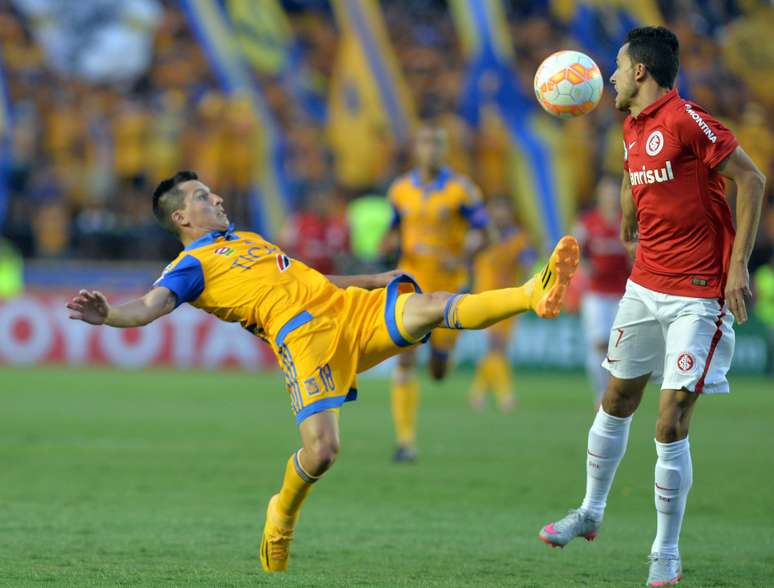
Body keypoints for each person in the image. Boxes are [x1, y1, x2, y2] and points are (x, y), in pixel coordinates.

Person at [66, 170, 581, 573]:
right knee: (323, 451)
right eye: (203, 196)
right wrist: (108, 314)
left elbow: (309, 275)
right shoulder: (191, 265)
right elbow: (150, 306)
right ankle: (281, 515)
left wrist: (374, 278)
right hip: (303, 339)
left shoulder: (247, 238)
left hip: (347, 309)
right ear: (181, 218)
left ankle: (532, 293)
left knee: (431, 304)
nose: (216, 199)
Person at [538, 27, 765, 587]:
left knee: (669, 422)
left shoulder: (688, 120)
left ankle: (665, 551)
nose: (610, 76)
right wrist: (625, 216)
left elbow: (752, 180)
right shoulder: (632, 125)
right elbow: (630, 173)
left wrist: (738, 267)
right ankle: (590, 512)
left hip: (697, 295)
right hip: (644, 287)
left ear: (640, 70)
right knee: (615, 397)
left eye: (617, 66)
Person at [380, 124, 489, 462]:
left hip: (447, 286)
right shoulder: (400, 190)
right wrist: (388, 242)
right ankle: (405, 441)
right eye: (425, 142)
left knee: (438, 372)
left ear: (445, 150)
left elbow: (484, 230)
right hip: (410, 285)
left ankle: (443, 355)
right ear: (416, 148)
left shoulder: (461, 190)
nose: (431, 149)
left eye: (437, 143)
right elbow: (394, 228)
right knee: (405, 356)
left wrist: (469, 248)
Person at [469, 197, 535, 413]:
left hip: (508, 299)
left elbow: (527, 263)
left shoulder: (519, 238)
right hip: (485, 298)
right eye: (495, 209)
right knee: (496, 344)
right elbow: (466, 257)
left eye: (503, 209)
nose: (499, 215)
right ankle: (506, 396)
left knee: (497, 349)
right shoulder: (480, 236)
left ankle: (477, 393)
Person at [574, 176, 630, 411]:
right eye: (605, 191)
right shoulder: (587, 222)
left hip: (622, 294)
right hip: (595, 294)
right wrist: (584, 266)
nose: (609, 196)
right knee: (597, 343)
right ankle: (601, 393)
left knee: (619, 349)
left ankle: (614, 393)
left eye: (613, 191)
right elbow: (573, 248)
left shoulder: (627, 221)